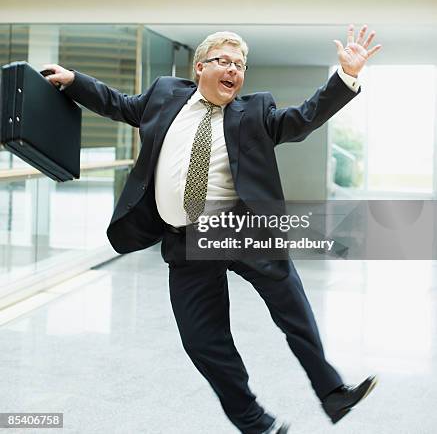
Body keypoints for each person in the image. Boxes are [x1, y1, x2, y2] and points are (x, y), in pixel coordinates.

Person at [43, 25, 381, 434]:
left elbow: (303, 118)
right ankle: (255, 422)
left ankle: (333, 393)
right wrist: (75, 81)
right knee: (202, 340)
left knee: (293, 311)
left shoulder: (255, 112)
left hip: (240, 228)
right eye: (225, 62)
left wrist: (345, 78)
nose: (234, 70)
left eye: (240, 66)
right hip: (185, 240)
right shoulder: (164, 96)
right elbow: (118, 103)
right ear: (200, 66)